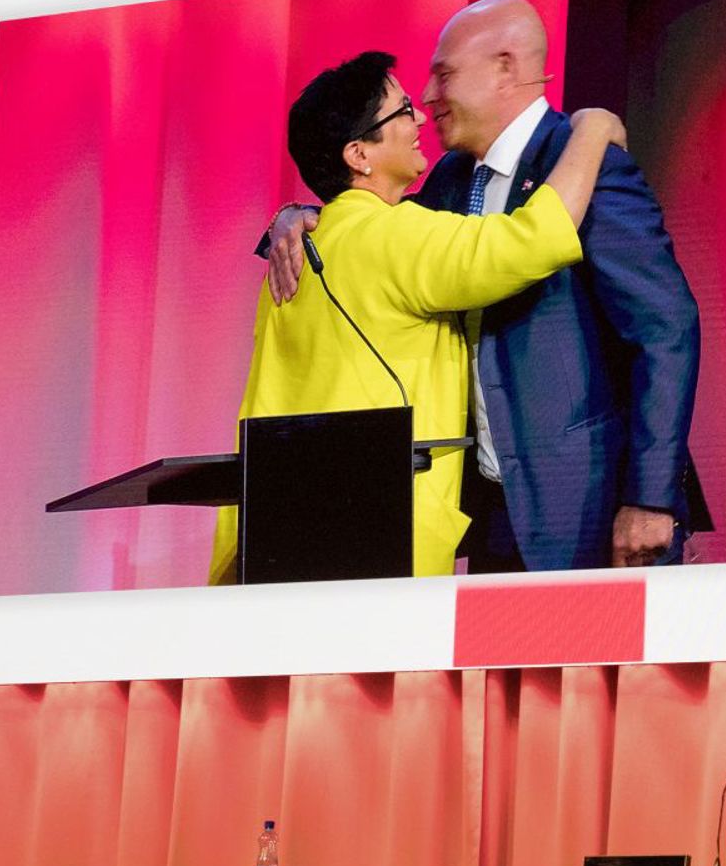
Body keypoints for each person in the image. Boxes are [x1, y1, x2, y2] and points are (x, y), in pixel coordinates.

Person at [267, 0, 706, 571]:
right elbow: (372, 229)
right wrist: (296, 214)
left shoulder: (583, 165)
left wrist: (650, 497)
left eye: (444, 74)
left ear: (505, 68)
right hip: (492, 515)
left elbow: (666, 329)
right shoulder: (448, 180)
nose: (428, 97)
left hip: (590, 511)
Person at [210, 52, 626, 585]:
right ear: (359, 154)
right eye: (403, 110)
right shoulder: (393, 236)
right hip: (374, 539)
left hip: (281, 531)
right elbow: (536, 239)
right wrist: (593, 129)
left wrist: (290, 212)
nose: (422, 117)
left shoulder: (301, 247)